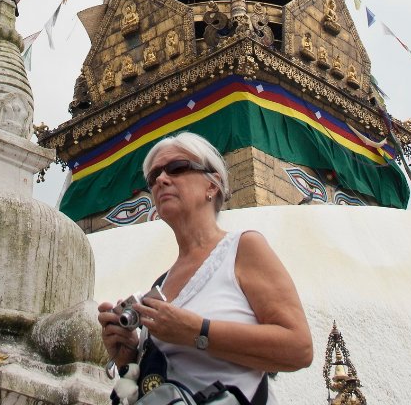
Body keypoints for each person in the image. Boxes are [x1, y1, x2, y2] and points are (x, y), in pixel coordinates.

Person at [98, 133, 312, 403]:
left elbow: (299, 348)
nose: (161, 180)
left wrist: (197, 331)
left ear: (213, 185)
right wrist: (129, 354)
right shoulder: (161, 285)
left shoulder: (243, 249)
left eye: (177, 168)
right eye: (153, 178)